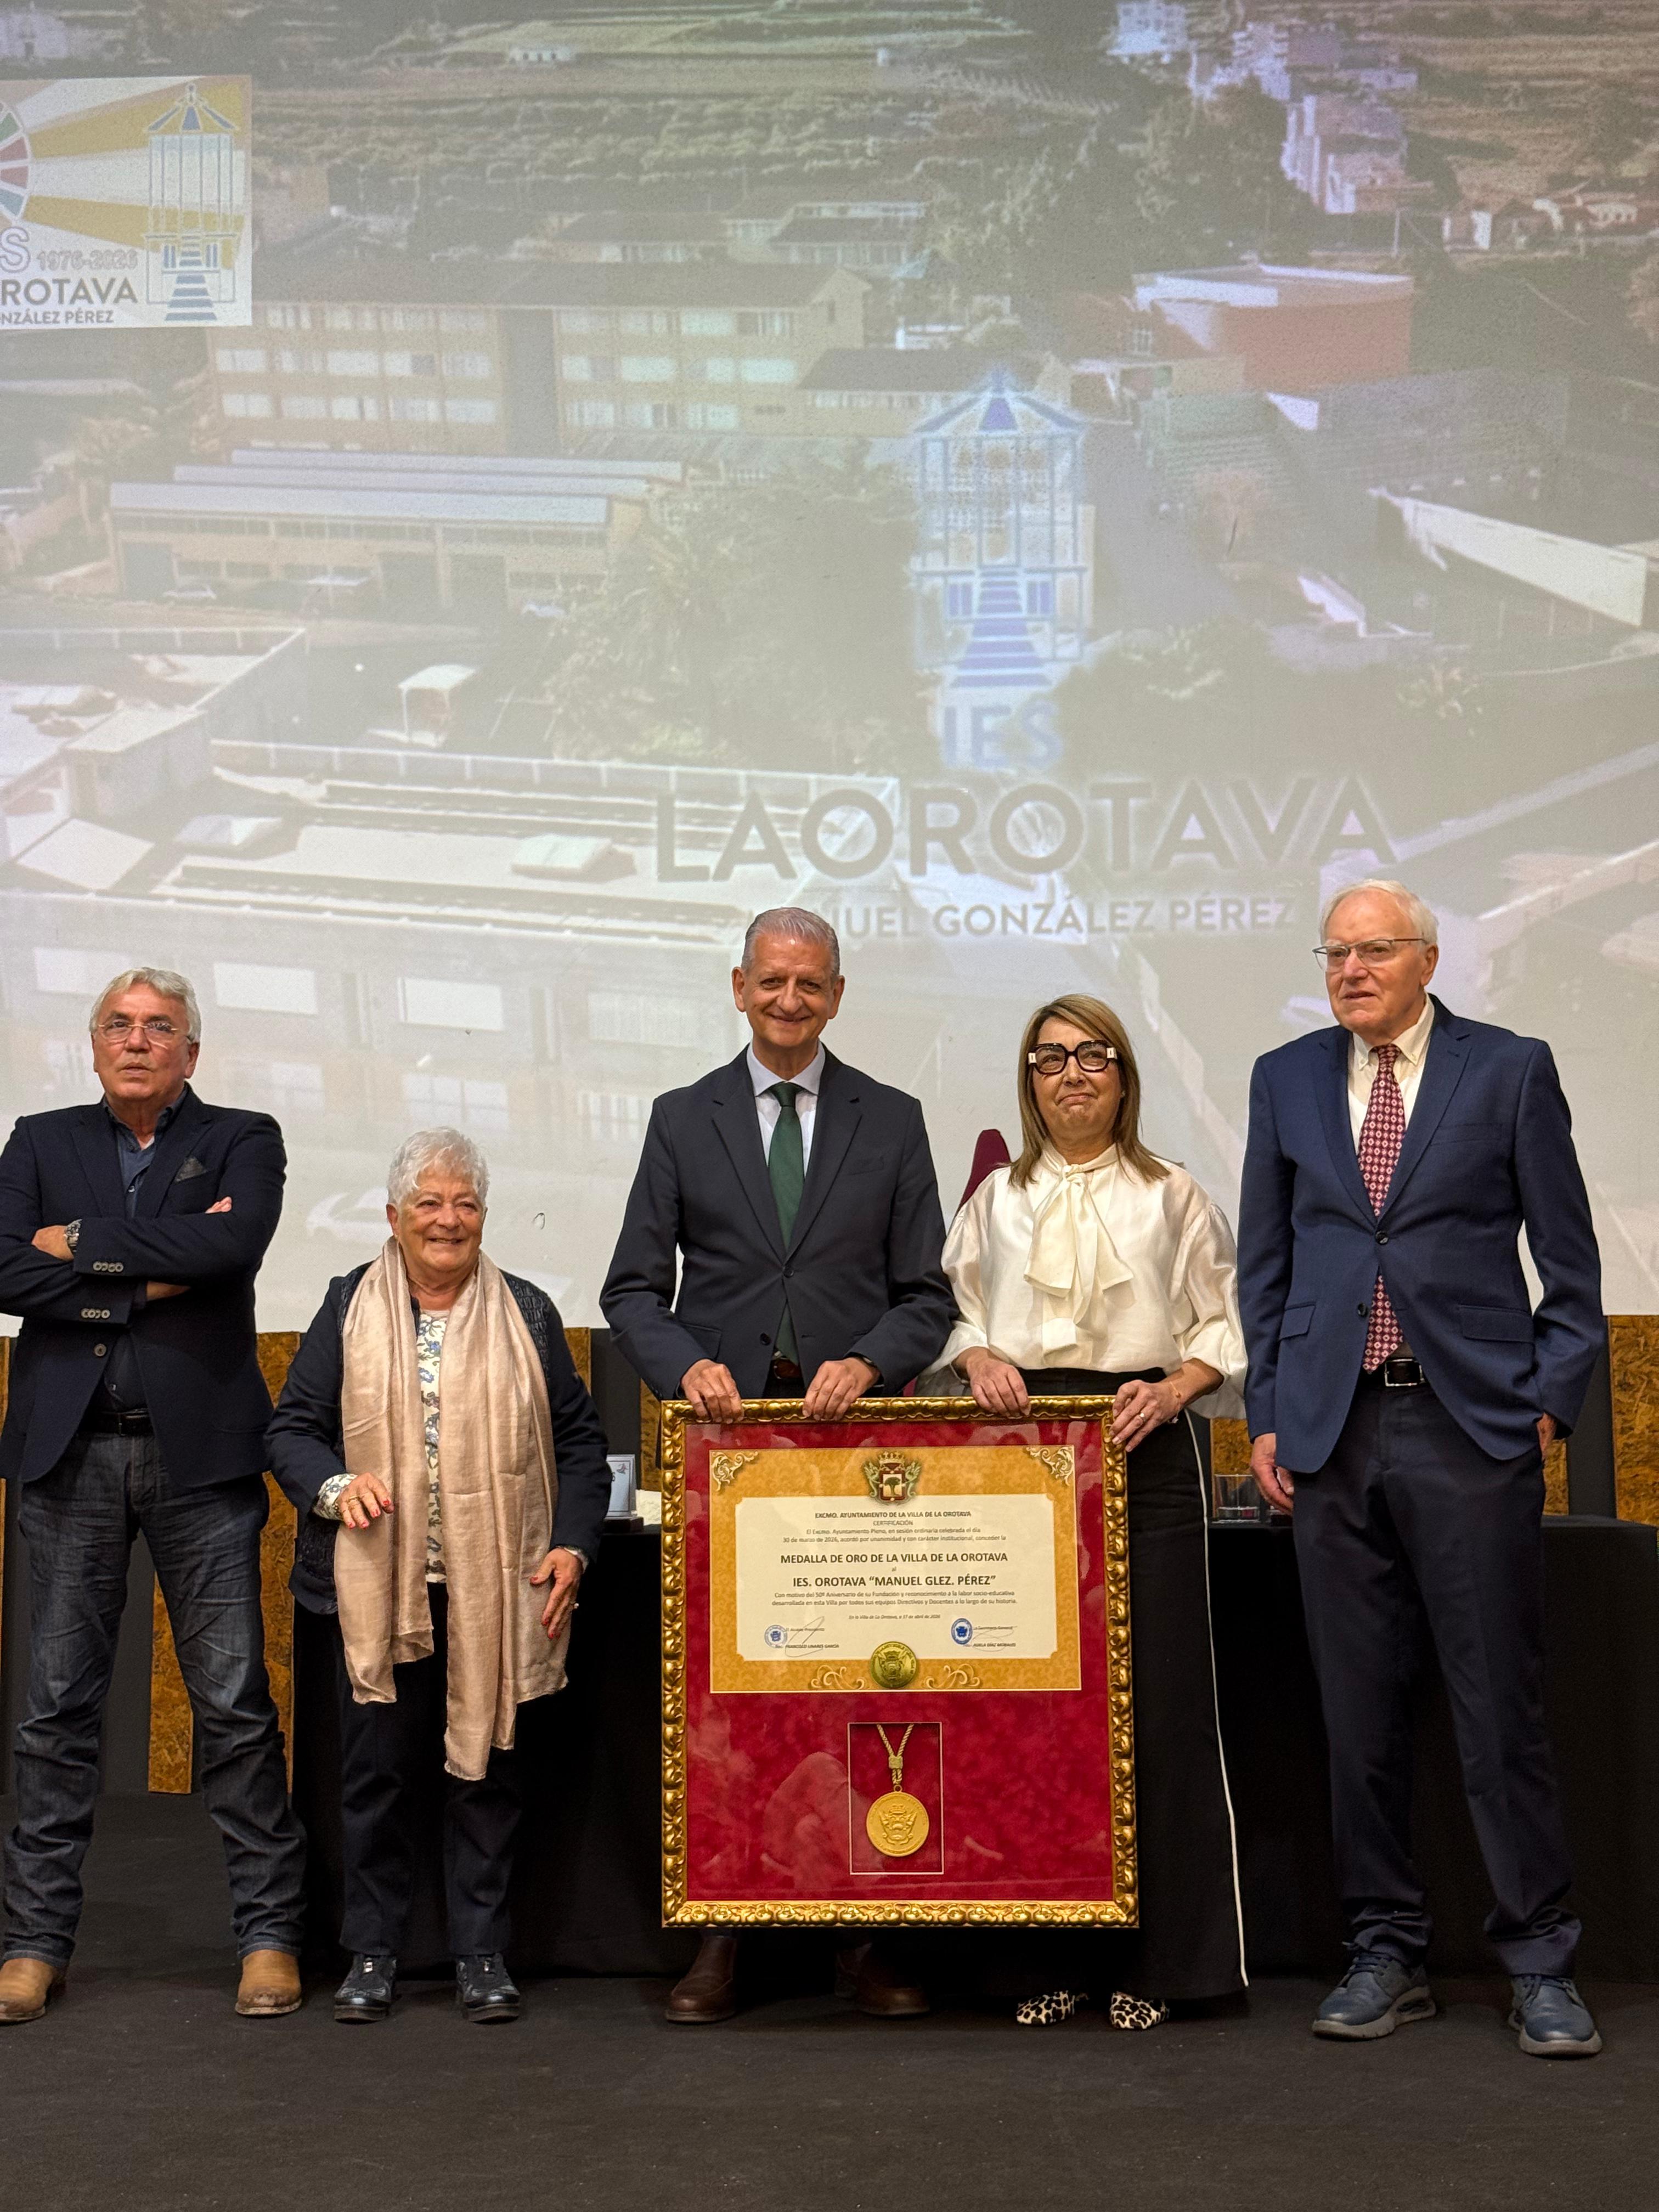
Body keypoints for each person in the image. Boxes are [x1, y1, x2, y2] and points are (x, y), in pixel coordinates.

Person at [1238, 879, 1606, 2059]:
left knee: (1500, 1706)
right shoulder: (1286, 1077)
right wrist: (1270, 1408)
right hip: (1332, 1435)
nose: (1351, 969)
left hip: (1470, 1430)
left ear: (1429, 960)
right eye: (1336, 952)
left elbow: (1569, 1264)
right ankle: (1384, 1949)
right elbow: (1268, 1262)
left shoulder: (1509, 1069)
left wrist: (1545, 1404)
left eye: (1375, 950)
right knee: (1359, 1716)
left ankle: (1540, 1960)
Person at [601, 906, 954, 2023]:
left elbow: (929, 1301)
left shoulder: (893, 1122)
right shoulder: (679, 1119)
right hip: (734, 1464)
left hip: (858, 1463)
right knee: (731, 1703)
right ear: (739, 988)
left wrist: (870, 1360)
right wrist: (687, 1365)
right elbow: (629, 1292)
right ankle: (724, 1933)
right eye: (772, 983)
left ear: (837, 996)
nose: (790, 1000)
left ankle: (869, 1936)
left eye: (811, 984)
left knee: (863, 1692)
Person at [931, 992, 1248, 2027]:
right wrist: (976, 1354)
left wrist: (1177, 1390)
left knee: (1158, 1712)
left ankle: (1163, 1969)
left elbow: (1221, 1323)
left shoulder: (1175, 1195)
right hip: (1020, 1463)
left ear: (1124, 1076)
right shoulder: (993, 1202)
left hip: (1142, 1443)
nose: (1072, 1075)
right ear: (1027, 1083)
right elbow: (958, 1315)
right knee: (1033, 1720)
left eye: (1094, 1056)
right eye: (1050, 1059)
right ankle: (1042, 1965)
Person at [0, 966, 305, 2025]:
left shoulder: (242, 1136)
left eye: (159, 1027)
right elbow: (1, 1269)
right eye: (118, 1027)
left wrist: (77, 1245)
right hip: (69, 1455)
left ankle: (268, 1936)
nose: (137, 1041)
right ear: (94, 1046)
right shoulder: (40, 1140)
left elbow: (232, 1245)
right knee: (56, 1714)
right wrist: (152, 1274)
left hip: (201, 1460)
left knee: (232, 1706)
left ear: (191, 1050)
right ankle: (33, 1945)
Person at [268, 1127, 611, 2025]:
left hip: (494, 1589)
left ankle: (482, 1953)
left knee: (486, 1777)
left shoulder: (528, 1311)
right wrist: (336, 1486)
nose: (447, 1219)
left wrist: (574, 1542)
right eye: (428, 1202)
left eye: (464, 1203)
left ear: (484, 1217)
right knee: (374, 1779)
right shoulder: (349, 1303)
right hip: (381, 1590)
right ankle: (373, 1953)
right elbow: (293, 1429)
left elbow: (576, 1441)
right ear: (393, 1217)